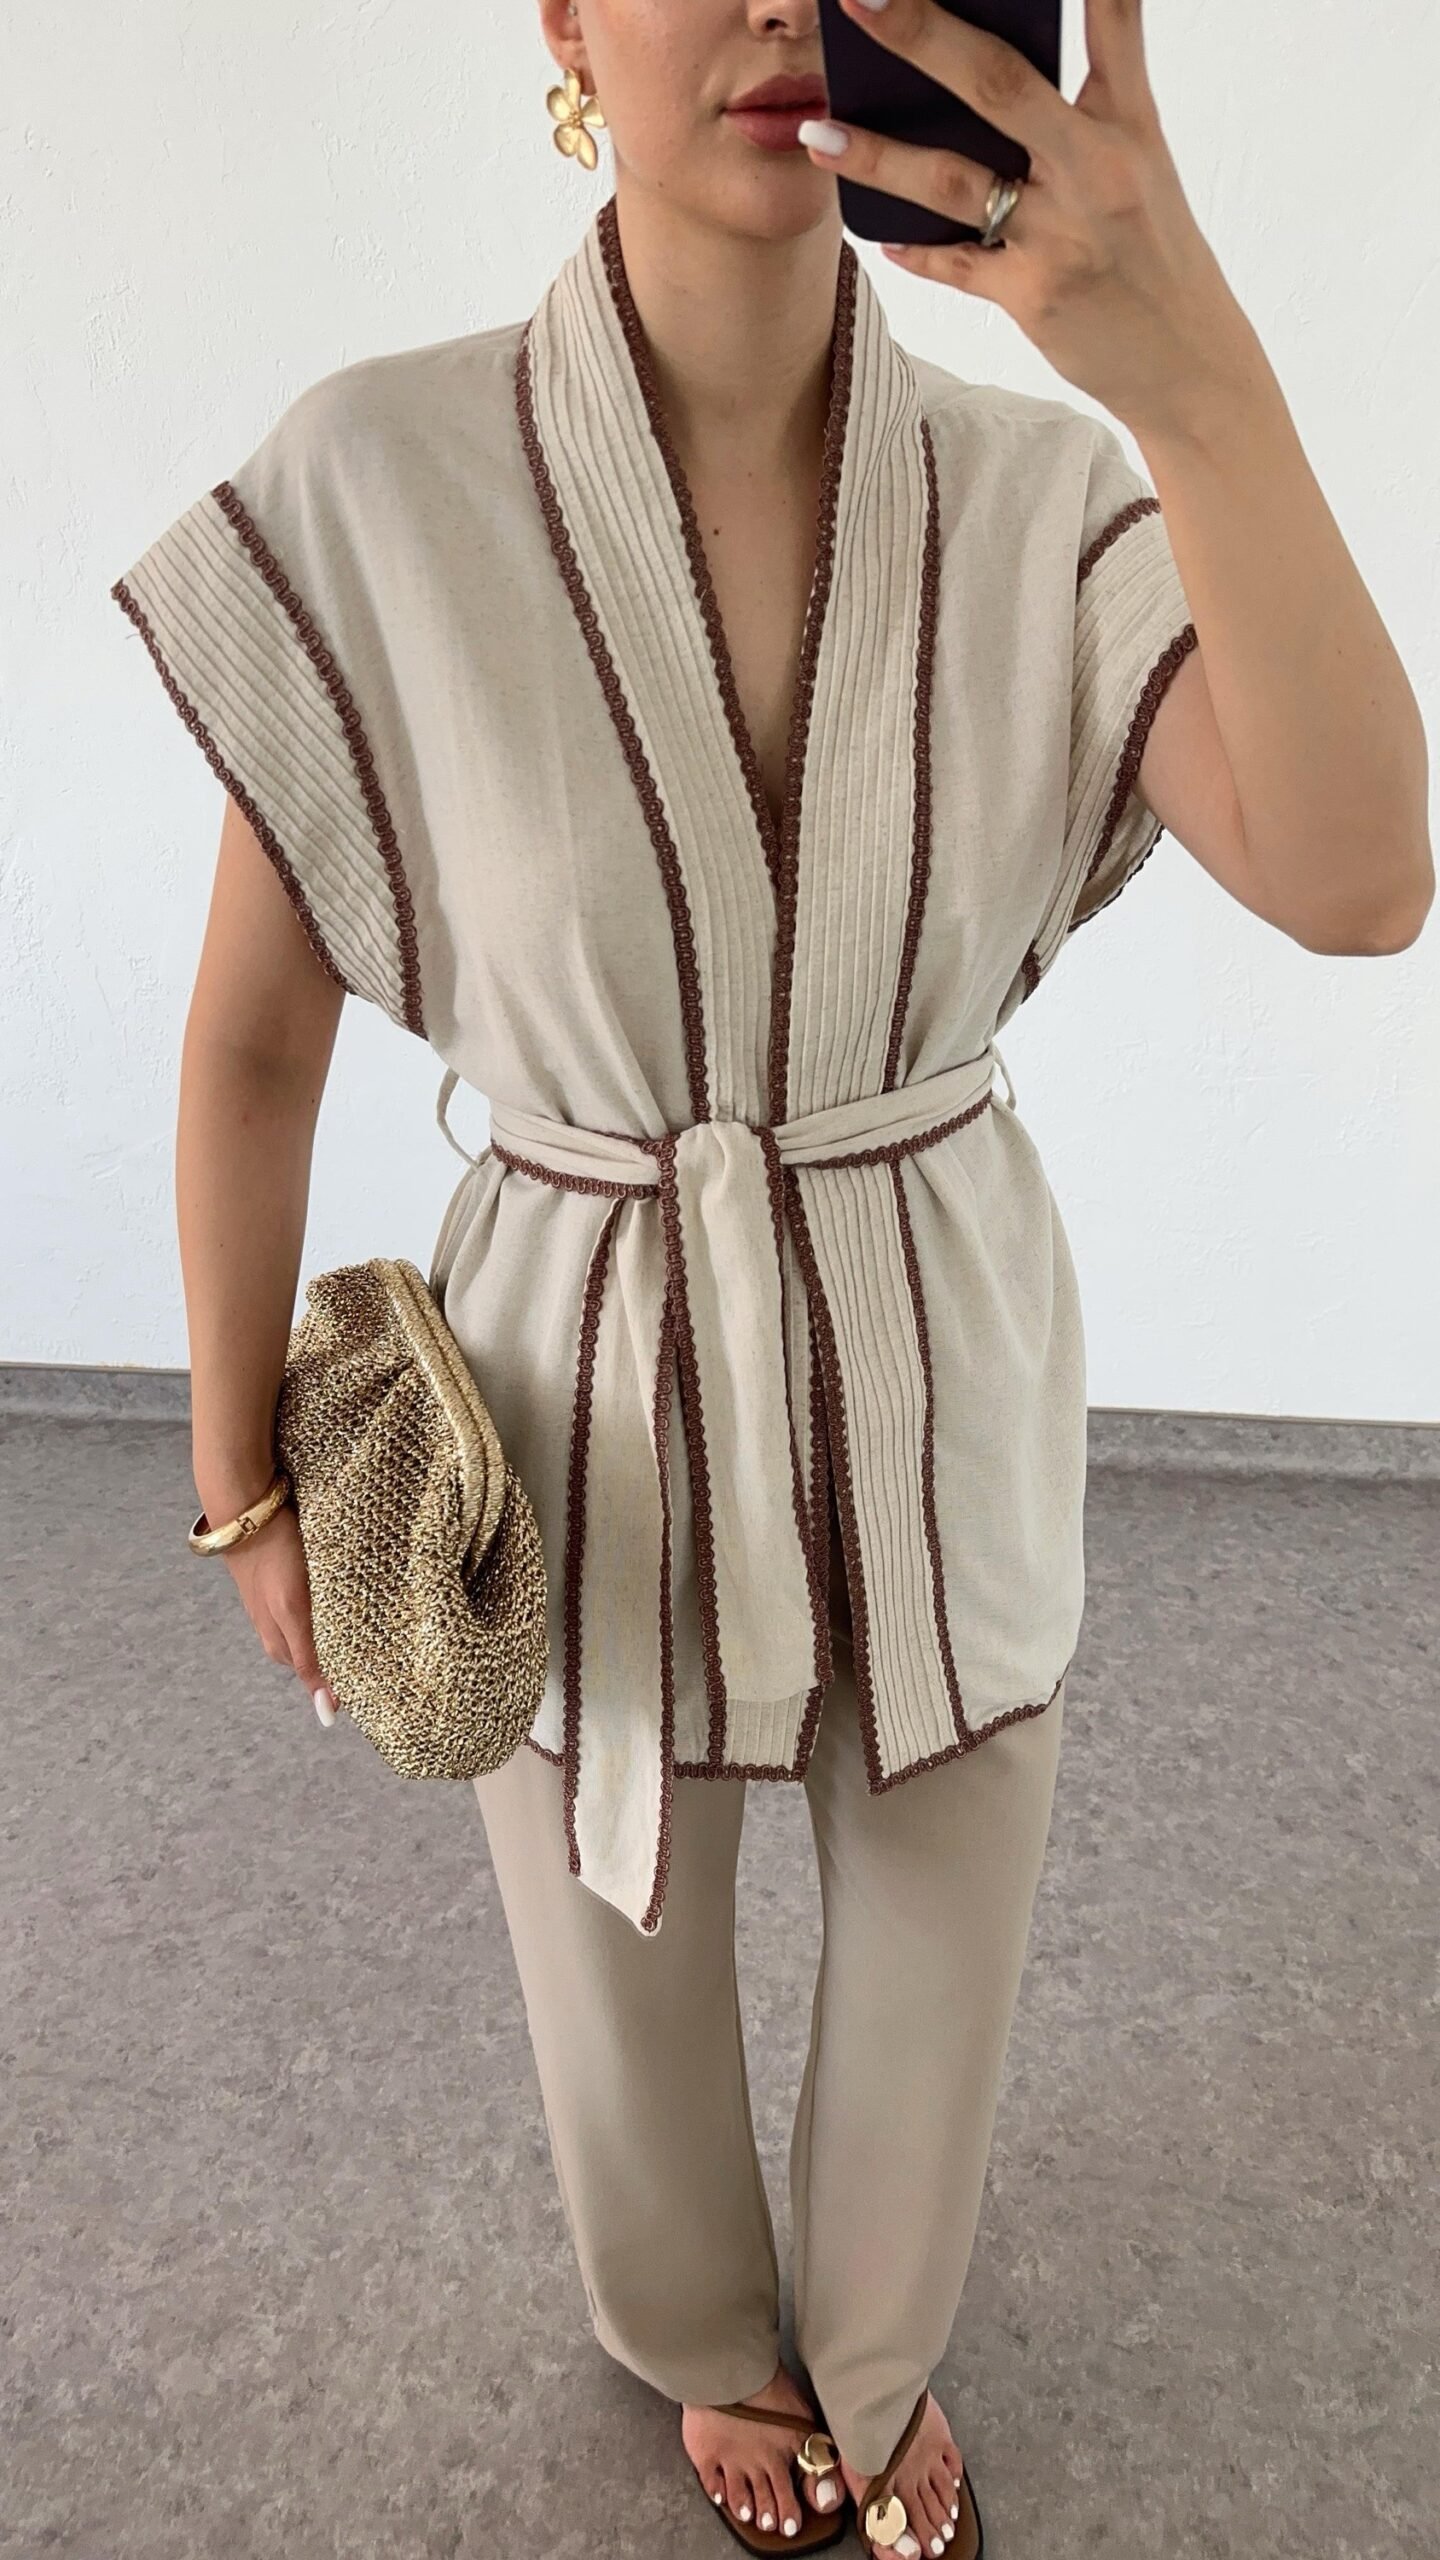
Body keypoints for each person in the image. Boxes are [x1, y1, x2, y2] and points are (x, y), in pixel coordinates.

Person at [109, 1, 1432, 2552]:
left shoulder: (1039, 494)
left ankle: (885, 2346)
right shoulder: (380, 478)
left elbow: (1367, 873)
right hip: (569, 1376)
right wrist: (234, 1467)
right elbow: (255, 1040)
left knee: (946, 1912)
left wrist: (1194, 372)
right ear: (561, 21)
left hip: (929, 1340)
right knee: (610, 1938)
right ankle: (707, 2335)